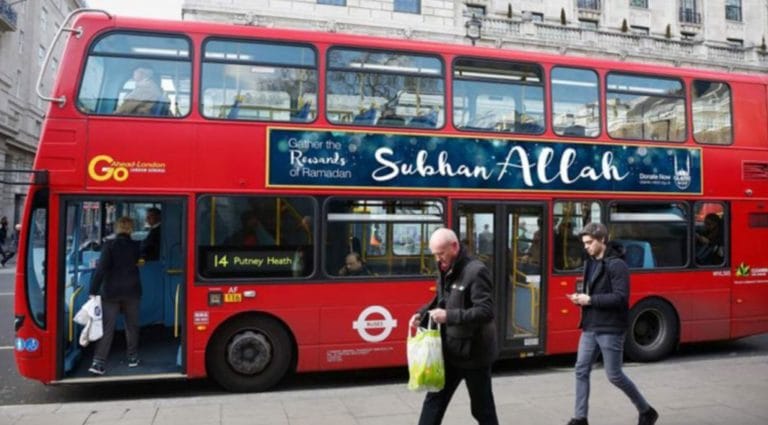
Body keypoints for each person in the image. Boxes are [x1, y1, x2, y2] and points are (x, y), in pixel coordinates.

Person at [565, 222, 658, 425]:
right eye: (584, 243)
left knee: (614, 375)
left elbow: (620, 298)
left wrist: (589, 300)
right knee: (581, 369)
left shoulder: (618, 265)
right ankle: (580, 418)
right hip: (590, 326)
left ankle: (646, 411)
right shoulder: (590, 262)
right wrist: (580, 298)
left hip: (611, 328)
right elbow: (594, 292)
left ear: (602, 240)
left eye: (590, 243)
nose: (586, 247)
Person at [409, 228, 499, 425]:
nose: (438, 259)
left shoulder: (476, 271)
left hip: (474, 355)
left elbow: (485, 311)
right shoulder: (444, 268)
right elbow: (441, 299)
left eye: (441, 253)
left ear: (454, 247)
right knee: (433, 401)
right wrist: (422, 313)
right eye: (434, 254)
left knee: (482, 410)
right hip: (449, 350)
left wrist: (448, 316)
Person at [88, 216, 143, 376]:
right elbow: (138, 261)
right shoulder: (135, 246)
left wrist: (93, 290)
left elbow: (102, 269)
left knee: (107, 327)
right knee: (131, 326)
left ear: (117, 228)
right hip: (132, 291)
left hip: (111, 291)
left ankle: (99, 362)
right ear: (131, 229)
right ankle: (132, 358)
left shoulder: (109, 245)